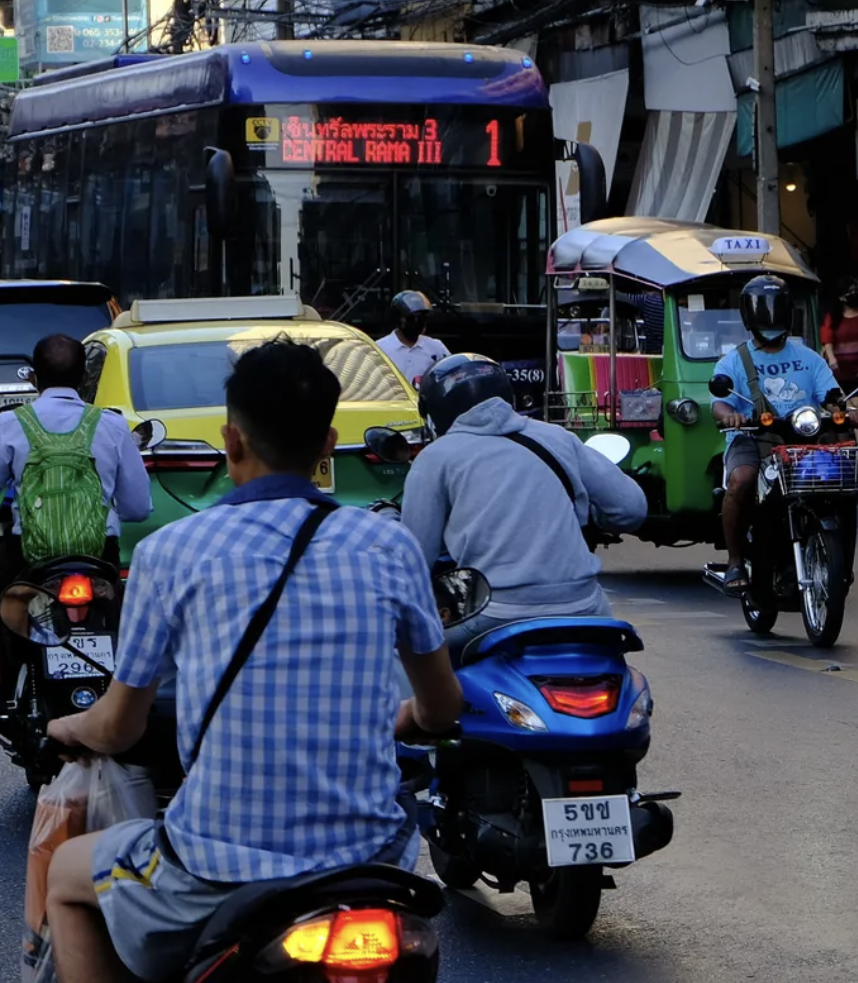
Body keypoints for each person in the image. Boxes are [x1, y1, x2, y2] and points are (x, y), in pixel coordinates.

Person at [43, 338, 464, 983]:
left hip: (215, 865)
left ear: (231, 441)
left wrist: (67, 729)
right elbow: (440, 710)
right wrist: (398, 719)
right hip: (369, 861)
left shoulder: (171, 552)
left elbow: (119, 729)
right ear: (327, 445)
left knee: (69, 876)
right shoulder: (390, 544)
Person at [400, 354, 648, 649]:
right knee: (618, 673)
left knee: (413, 653)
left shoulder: (436, 456)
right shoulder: (557, 437)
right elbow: (631, 508)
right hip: (583, 607)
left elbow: (414, 564)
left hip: (494, 614)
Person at [712, 274, 858, 591]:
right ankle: (736, 561)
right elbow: (720, 405)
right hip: (753, 440)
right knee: (741, 479)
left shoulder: (809, 358)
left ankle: (842, 565)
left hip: (802, 442)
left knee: (843, 485)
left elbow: (832, 397)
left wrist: (849, 412)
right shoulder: (733, 361)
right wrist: (731, 418)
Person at [0, 333, 152, 569]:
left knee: (11, 602)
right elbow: (138, 508)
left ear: (33, 378)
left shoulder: (8, 424)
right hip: (99, 554)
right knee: (114, 603)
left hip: (28, 558)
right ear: (85, 376)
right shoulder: (113, 425)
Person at [820, 280, 858, 450]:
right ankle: (844, 445)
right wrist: (832, 358)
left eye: (856, 291)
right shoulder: (833, 317)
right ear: (841, 297)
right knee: (840, 409)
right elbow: (827, 339)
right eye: (850, 291)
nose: (854, 294)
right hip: (838, 370)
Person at [376, 290, 450, 385]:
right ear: (399, 319)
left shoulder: (436, 348)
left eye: (422, 318)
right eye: (413, 319)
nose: (418, 323)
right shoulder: (379, 349)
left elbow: (452, 376)